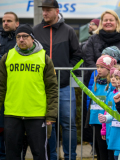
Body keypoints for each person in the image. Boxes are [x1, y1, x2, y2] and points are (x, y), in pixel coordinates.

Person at [0, 24, 58, 160]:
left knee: (39, 154)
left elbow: (52, 88)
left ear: (32, 38)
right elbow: (1, 87)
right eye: (18, 37)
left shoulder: (44, 58)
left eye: (25, 36)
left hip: (37, 115)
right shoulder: (7, 57)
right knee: (12, 154)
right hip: (12, 113)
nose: (21, 39)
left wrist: (51, 114)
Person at [33, 0, 82, 159]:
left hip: (64, 86)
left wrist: (66, 73)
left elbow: (78, 57)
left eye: (48, 10)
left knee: (69, 125)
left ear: (56, 11)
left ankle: (70, 157)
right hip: (42, 88)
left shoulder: (68, 31)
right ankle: (52, 157)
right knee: (49, 126)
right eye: (43, 10)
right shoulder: (35, 31)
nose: (44, 13)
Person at [98, 66, 120, 160]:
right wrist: (106, 118)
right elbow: (114, 114)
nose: (117, 81)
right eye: (117, 79)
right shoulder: (115, 95)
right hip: (115, 133)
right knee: (116, 157)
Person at [89, 55, 117, 160]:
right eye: (97, 67)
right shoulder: (95, 82)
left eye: (102, 67)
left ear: (109, 69)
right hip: (95, 120)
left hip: (106, 121)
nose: (99, 70)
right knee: (99, 148)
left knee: (106, 148)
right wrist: (90, 119)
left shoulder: (112, 85)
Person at [0, 11, 19, 159]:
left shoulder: (21, 40)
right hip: (1, 88)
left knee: (13, 127)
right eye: (4, 21)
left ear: (16, 23)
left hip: (16, 89)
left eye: (9, 21)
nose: (5, 23)